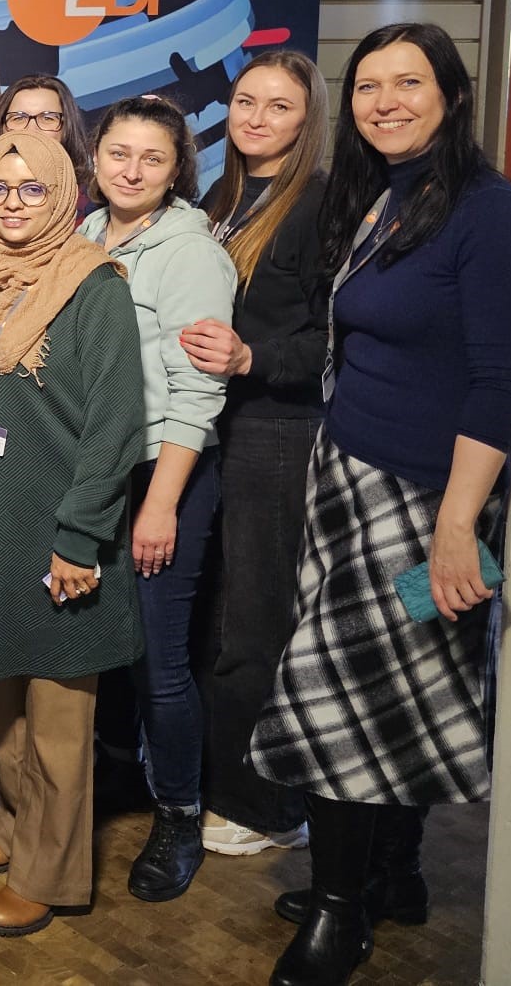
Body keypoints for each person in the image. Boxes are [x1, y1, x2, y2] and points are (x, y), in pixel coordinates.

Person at [249, 23, 511, 986]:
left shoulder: (488, 212)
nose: (384, 102)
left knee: (347, 697)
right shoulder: (383, 197)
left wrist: (459, 527)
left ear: (450, 96)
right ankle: (392, 876)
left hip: (425, 503)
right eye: (368, 85)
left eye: (407, 84)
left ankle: (341, 911)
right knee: (394, 693)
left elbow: (501, 380)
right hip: (349, 483)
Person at [0, 130, 144, 939]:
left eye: (34, 190)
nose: (16, 205)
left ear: (65, 193)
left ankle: (53, 872)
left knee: (62, 713)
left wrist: (79, 537)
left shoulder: (93, 286)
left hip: (65, 528)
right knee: (5, 696)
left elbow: (117, 426)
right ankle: (20, 823)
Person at [75, 95, 237, 904]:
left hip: (161, 473)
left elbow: (196, 392)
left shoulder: (190, 252)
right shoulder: (83, 234)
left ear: (179, 169)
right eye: (118, 154)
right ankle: (117, 783)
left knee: (159, 661)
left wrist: (161, 503)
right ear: (95, 156)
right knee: (106, 644)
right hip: (98, 471)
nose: (131, 170)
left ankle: (179, 813)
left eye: (153, 158)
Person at [181, 52, 330, 859]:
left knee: (257, 620)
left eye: (279, 106)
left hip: (276, 433)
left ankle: (266, 807)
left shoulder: (319, 204)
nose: (257, 117)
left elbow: (333, 339)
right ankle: (217, 780)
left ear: (307, 120)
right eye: (246, 100)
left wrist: (251, 358)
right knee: (215, 616)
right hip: (214, 430)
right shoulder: (225, 197)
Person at [0, 73, 93, 265]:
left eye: (47, 118)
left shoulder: (88, 203)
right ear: (2, 127)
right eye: (18, 117)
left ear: (66, 129)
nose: (31, 129)